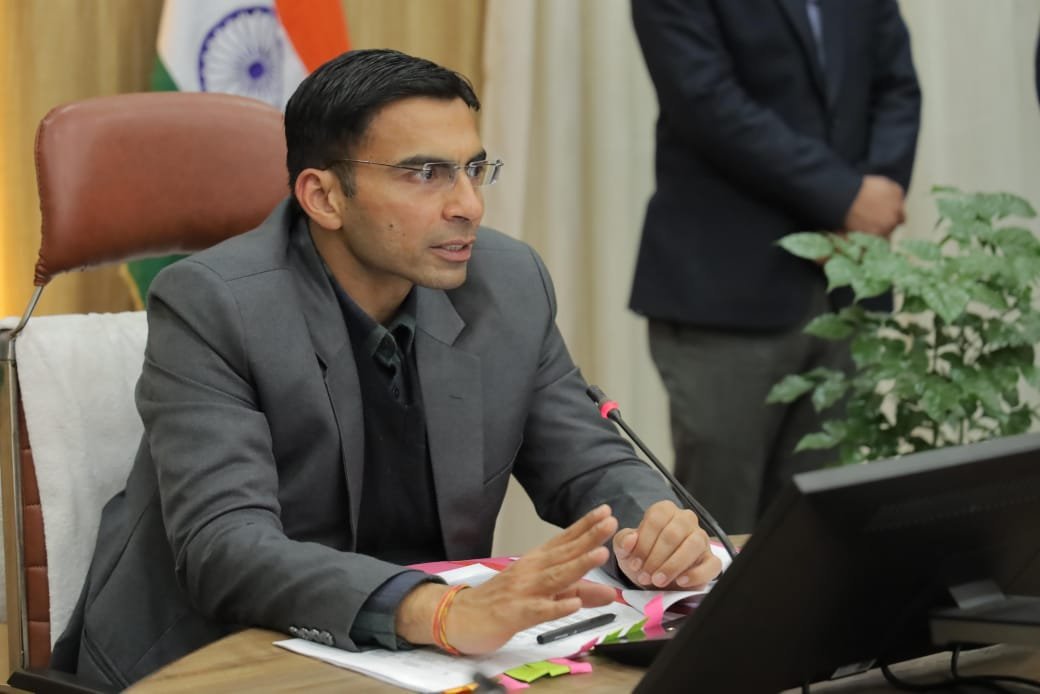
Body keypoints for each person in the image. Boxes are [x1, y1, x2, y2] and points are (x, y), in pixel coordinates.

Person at [51, 49, 722, 687]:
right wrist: (436, 610)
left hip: (422, 660)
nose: (469, 205)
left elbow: (588, 462)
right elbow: (225, 548)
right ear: (324, 197)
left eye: (474, 169)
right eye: (425, 173)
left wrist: (652, 528)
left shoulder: (507, 282)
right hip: (221, 658)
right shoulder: (212, 304)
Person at [629, 0, 921, 533]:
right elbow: (708, 105)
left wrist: (873, 201)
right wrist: (844, 199)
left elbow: (897, 85)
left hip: (847, 284)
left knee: (825, 524)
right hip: (726, 289)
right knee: (720, 531)